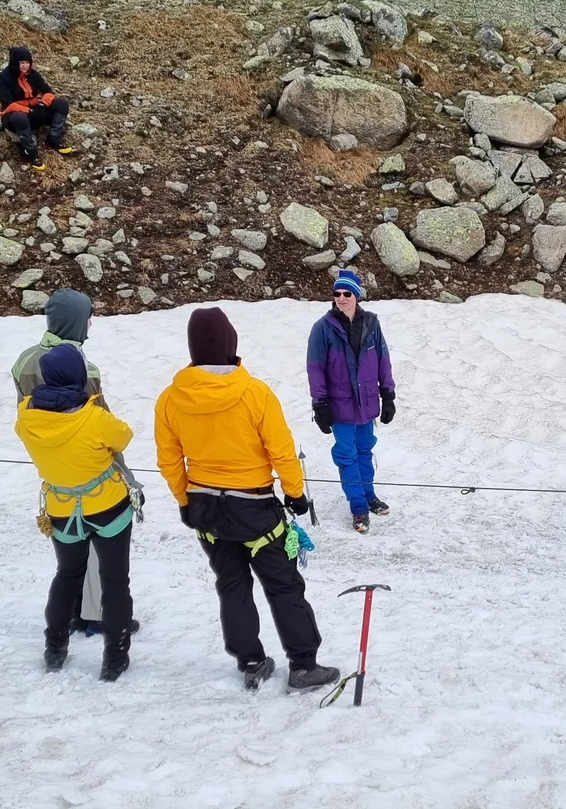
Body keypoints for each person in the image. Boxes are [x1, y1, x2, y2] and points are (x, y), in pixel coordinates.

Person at [156, 307, 340, 692]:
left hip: (206, 509)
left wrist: (184, 501)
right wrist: (295, 494)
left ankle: (251, 660)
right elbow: (281, 451)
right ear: (231, 343)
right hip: (255, 507)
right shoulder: (255, 393)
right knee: (284, 586)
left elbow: (169, 458)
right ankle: (303, 665)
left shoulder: (171, 399)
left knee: (232, 585)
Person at [10, 288, 142, 639]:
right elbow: (101, 424)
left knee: (69, 556)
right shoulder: (85, 367)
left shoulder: (23, 361)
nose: (91, 324)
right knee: (101, 552)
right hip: (92, 471)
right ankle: (97, 614)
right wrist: (124, 474)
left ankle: (70, 614)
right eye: (88, 318)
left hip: (51, 465)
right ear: (76, 322)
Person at [16, 345, 138, 680]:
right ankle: (114, 658)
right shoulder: (94, 418)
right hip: (108, 505)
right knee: (115, 582)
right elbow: (124, 437)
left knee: (67, 575)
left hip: (60, 508)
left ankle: (55, 648)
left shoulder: (27, 416)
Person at [305, 270, 396, 534]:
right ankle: (358, 508)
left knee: (365, 450)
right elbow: (315, 368)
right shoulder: (323, 328)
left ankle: (369, 496)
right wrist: (319, 404)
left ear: (356, 295)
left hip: (366, 404)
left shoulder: (371, 323)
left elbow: (383, 360)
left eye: (347, 294)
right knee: (347, 455)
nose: (341, 299)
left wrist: (387, 395)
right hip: (340, 405)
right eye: (337, 294)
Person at [0, 46, 72, 171]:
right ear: (15, 63)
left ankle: (53, 139)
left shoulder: (33, 74)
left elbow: (48, 92)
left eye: (27, 62)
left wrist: (42, 105)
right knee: (20, 118)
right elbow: (8, 105)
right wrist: (30, 111)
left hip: (35, 111)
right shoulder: (3, 78)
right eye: (22, 63)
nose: (25, 66)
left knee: (61, 103)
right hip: (14, 116)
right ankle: (31, 152)